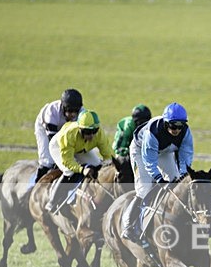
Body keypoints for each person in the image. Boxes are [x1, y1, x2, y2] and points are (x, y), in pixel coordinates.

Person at [121, 102, 194, 242]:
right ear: (166, 123)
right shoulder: (153, 131)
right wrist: (158, 178)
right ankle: (128, 224)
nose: (177, 130)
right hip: (140, 151)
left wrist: (183, 174)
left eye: (180, 126)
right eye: (173, 125)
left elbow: (186, 155)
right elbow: (149, 160)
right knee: (144, 188)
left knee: (176, 181)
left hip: (164, 150)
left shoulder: (185, 132)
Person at [45, 109, 113, 213]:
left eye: (94, 131)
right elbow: (68, 161)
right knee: (69, 171)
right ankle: (52, 201)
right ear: (80, 129)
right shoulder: (69, 134)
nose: (91, 136)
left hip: (81, 148)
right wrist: (82, 170)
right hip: (59, 147)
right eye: (87, 132)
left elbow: (108, 155)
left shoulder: (99, 134)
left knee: (98, 165)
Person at [34, 88, 84, 183]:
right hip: (45, 129)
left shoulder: (82, 113)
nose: (73, 115)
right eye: (69, 111)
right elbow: (53, 142)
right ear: (63, 107)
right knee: (48, 161)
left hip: (66, 129)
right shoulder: (52, 112)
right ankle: (35, 185)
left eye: (75, 111)